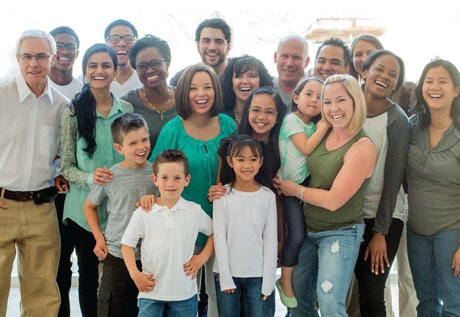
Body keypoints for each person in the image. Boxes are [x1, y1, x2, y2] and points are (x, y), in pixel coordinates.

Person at [273, 74, 376, 317]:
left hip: (340, 231)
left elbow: (333, 201)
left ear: (355, 102)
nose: (333, 108)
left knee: (329, 303)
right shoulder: (321, 132)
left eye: (340, 100)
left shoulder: (362, 147)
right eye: (326, 101)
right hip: (306, 230)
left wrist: (294, 189)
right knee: (297, 303)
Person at [149, 63, 237, 316]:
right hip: (184, 229)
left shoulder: (228, 125)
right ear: (184, 93)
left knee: (221, 296)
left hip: (223, 226)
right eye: (194, 88)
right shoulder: (173, 130)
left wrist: (226, 187)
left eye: (207, 87)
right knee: (183, 298)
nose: (201, 94)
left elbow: (241, 167)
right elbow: (156, 175)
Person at [60, 43, 133, 317]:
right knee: (89, 277)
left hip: (120, 210)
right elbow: (66, 166)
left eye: (106, 66)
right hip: (83, 210)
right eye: (93, 65)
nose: (99, 71)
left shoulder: (125, 109)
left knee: (119, 279)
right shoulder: (71, 112)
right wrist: (90, 177)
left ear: (115, 71)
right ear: (85, 71)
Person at [0, 29, 69, 317]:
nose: (34, 63)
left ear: (53, 59)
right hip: (2, 205)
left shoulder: (63, 106)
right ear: (18, 58)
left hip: (41, 208)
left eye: (41, 56)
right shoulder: (1, 96)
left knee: (42, 294)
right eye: (27, 56)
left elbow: (62, 155)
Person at [211, 86, 287, 316]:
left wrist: (279, 243)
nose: (262, 117)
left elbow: (277, 206)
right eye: (256, 110)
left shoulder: (282, 147)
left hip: (265, 242)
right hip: (233, 255)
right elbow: (219, 189)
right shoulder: (230, 144)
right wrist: (215, 193)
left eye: (269, 112)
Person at [122, 149, 214, 317]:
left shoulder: (194, 211)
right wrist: (135, 274)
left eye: (177, 178)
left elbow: (214, 233)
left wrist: (201, 258)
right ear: (155, 179)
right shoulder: (144, 212)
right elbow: (127, 245)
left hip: (184, 294)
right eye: (164, 178)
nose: (171, 184)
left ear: (187, 180)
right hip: (151, 292)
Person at [83, 113, 158, 316]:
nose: (141, 147)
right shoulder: (110, 176)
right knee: (112, 308)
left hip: (150, 257)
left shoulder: (157, 174)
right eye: (132, 143)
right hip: (116, 257)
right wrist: (99, 239)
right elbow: (89, 206)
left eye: (145, 139)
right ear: (119, 148)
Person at [353, 50, 409, 317]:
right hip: (346, 216)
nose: (385, 76)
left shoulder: (397, 120)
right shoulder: (346, 107)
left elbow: (393, 178)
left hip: (382, 218)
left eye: (393, 74)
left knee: (372, 295)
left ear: (397, 83)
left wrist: (380, 232)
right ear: (364, 71)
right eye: (379, 69)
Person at [406, 59, 460, 317]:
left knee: (453, 305)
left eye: (442, 81)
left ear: (456, 90)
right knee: (425, 305)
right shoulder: (412, 126)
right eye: (429, 81)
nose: (434, 87)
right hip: (416, 229)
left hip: (452, 230)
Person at [276, 76, 330, 308]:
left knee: (307, 238)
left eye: (321, 97)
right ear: (296, 97)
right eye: (309, 94)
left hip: (303, 189)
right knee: (296, 236)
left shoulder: (309, 125)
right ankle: (285, 282)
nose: (314, 100)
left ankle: (308, 288)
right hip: (290, 190)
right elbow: (306, 148)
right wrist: (326, 123)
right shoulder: (291, 121)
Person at [213, 135, 278, 316]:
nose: (247, 165)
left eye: (253, 159)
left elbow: (271, 240)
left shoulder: (267, 196)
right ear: (230, 161)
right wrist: (225, 277)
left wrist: (268, 282)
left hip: (257, 276)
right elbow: (219, 237)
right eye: (240, 159)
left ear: (261, 162)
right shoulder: (222, 195)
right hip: (227, 275)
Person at [48, 25, 83, 317]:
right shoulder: (35, 86)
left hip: (77, 186)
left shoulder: (83, 91)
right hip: (44, 189)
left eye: (70, 45)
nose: (64, 50)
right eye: (59, 45)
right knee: (56, 265)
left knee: (84, 262)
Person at [121, 34, 176, 148]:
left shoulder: (185, 98)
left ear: (167, 62)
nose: (149, 70)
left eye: (155, 63)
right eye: (142, 66)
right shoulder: (126, 104)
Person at [170, 18, 232, 86]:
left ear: (228, 46)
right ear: (197, 45)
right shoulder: (181, 80)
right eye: (206, 41)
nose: (212, 47)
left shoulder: (241, 75)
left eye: (219, 42)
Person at [221, 55, 272, 125]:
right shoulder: (220, 116)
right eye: (239, 76)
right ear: (230, 81)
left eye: (251, 76)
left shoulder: (273, 112)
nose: (245, 81)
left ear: (261, 81)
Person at [105, 19, 142, 97]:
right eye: (115, 39)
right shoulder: (92, 79)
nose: (121, 44)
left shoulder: (144, 78)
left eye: (128, 39)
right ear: (106, 43)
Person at [273, 35, 310, 107]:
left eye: (296, 58)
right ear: (275, 57)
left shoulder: (317, 93)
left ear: (307, 61)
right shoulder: (264, 89)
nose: (289, 63)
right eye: (284, 56)